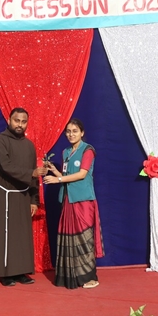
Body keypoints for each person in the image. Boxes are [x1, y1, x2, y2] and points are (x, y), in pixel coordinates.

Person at [0, 108, 47, 287]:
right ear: (9, 120)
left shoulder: (29, 146)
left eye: (24, 122)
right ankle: (5, 273)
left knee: (21, 236)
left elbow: (34, 175)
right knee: (3, 235)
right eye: (17, 120)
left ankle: (20, 271)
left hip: (23, 196)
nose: (20, 125)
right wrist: (31, 173)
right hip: (3, 194)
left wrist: (34, 200)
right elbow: (6, 166)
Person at [44, 118, 104, 289]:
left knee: (84, 239)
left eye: (75, 131)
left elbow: (82, 174)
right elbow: (67, 174)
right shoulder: (66, 152)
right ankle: (71, 276)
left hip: (83, 200)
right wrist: (54, 171)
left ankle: (90, 277)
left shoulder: (88, 150)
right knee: (69, 238)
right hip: (68, 199)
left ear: (82, 133)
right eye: (68, 131)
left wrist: (57, 180)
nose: (71, 134)